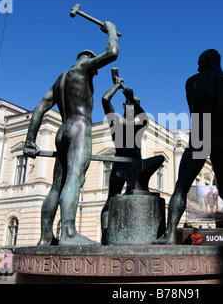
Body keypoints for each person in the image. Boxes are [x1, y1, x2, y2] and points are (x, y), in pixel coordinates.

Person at [23, 21, 119, 246]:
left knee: (57, 184)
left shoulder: (59, 81)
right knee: (75, 178)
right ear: (91, 64)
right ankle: (68, 232)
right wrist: (111, 30)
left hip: (62, 130)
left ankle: (46, 237)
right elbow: (112, 52)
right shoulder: (85, 70)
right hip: (79, 127)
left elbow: (39, 109)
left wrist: (30, 140)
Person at [154, 49, 223, 246]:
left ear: (207, 60)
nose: (197, 67)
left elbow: (195, 115)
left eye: (199, 62)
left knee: (182, 185)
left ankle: (170, 235)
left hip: (201, 135)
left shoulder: (192, 82)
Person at [100, 81, 149, 244]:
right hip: (126, 165)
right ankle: (106, 235)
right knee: (113, 200)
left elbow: (106, 99)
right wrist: (119, 85)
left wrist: (125, 94)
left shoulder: (135, 125)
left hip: (126, 165)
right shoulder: (121, 124)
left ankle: (113, 236)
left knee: (121, 200)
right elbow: (105, 100)